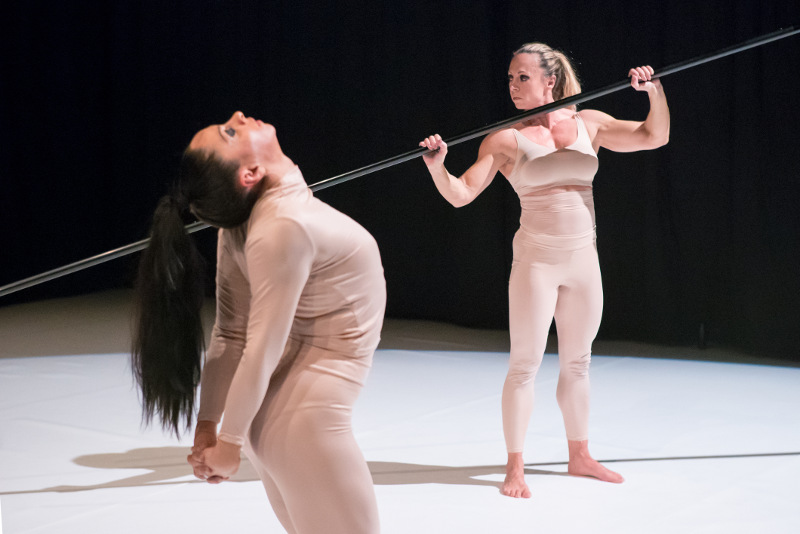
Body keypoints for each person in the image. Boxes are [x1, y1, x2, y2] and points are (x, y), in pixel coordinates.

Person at [419, 42, 669, 498]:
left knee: (578, 362)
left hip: (583, 261)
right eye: (510, 78)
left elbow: (654, 136)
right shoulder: (505, 140)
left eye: (523, 77)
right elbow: (461, 194)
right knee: (524, 365)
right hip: (536, 262)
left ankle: (580, 455)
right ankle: (515, 467)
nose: (513, 86)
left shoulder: (588, 123)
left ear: (549, 81)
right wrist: (438, 168)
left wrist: (654, 91)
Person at [131, 111, 386, 533]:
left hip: (282, 421)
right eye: (230, 132)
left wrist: (212, 426)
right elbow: (255, 344)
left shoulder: (255, 222)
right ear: (250, 173)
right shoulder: (282, 225)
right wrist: (227, 441)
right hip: (305, 425)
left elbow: (231, 333)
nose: (237, 117)